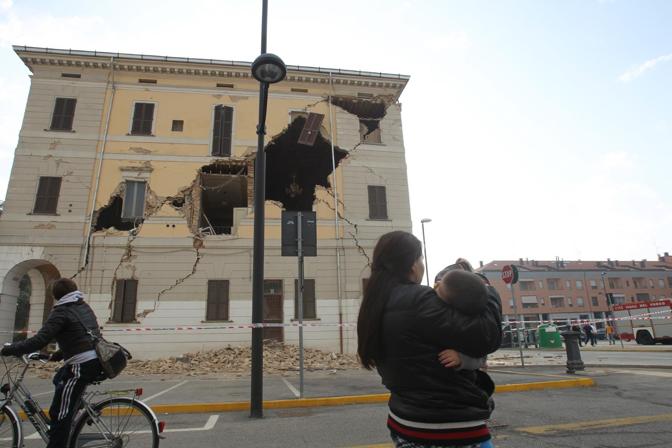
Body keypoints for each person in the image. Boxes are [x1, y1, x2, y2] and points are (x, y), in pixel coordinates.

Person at [357, 231, 502, 448]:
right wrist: (487, 290)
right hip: (446, 426)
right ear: (412, 264)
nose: (422, 264)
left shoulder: (376, 303)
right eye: (420, 258)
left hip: (404, 422)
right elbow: (486, 336)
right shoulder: (419, 299)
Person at [1, 278, 104, 448]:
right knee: (59, 380)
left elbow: (39, 340)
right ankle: (70, 415)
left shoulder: (61, 311)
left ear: (56, 295)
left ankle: (59, 438)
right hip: (92, 359)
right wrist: (59, 354)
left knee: (61, 416)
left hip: (81, 365)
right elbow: (83, 335)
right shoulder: (82, 305)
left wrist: (11, 349)